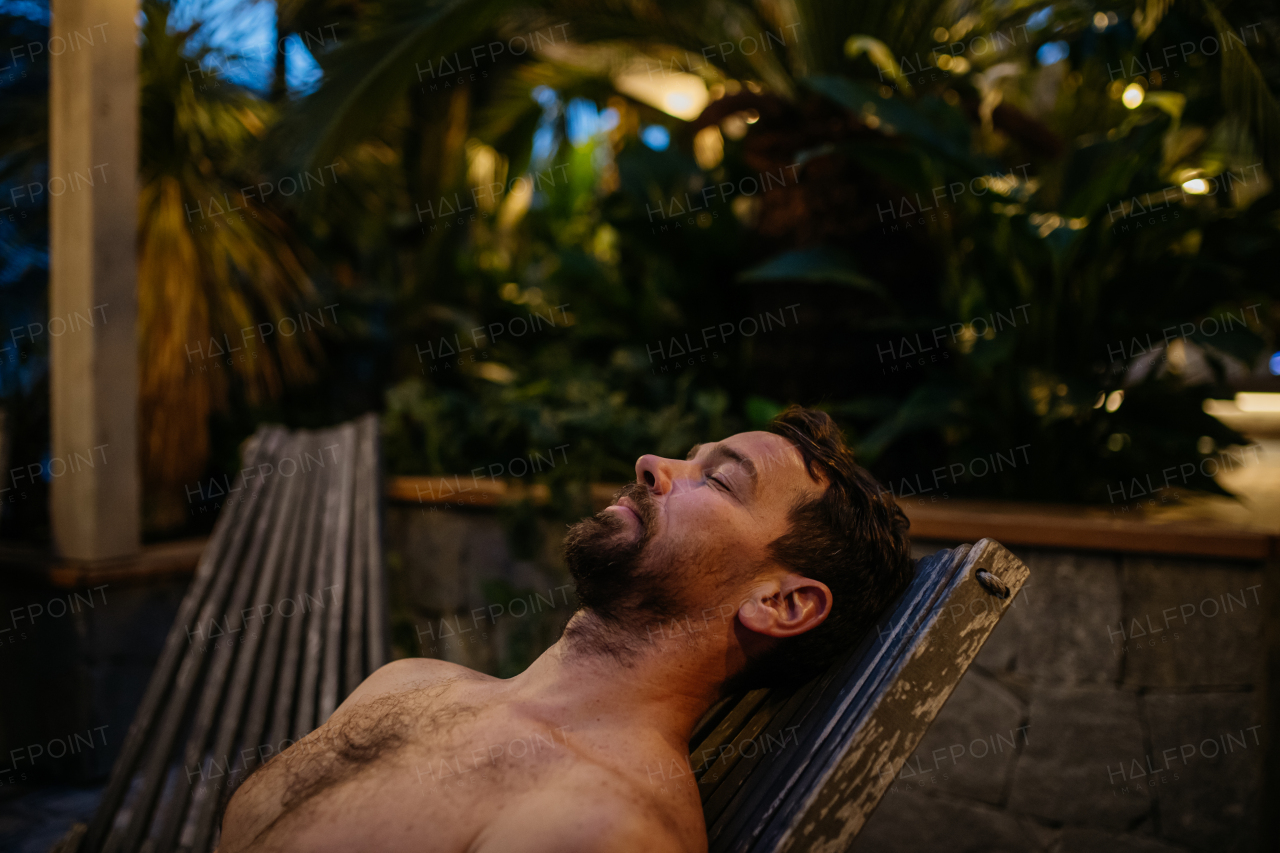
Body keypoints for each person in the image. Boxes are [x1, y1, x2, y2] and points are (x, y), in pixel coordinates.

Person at [218, 405, 911, 853]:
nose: (651, 463)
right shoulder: (409, 683)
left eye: (720, 480)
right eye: (687, 455)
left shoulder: (607, 825)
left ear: (782, 603)